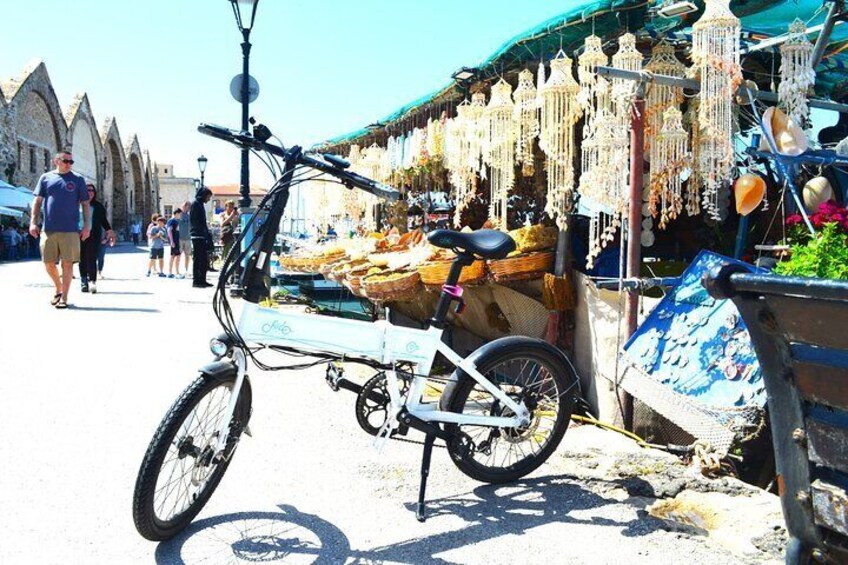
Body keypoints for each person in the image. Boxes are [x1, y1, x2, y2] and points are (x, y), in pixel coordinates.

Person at [29, 150, 90, 309]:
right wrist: (33, 222)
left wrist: (86, 226)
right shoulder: (46, 178)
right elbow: (37, 201)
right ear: (57, 161)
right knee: (48, 263)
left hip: (70, 230)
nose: (69, 164)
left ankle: (64, 297)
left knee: (68, 264)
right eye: (66, 161)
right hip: (49, 229)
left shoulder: (78, 179)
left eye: (71, 162)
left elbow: (85, 204)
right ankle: (58, 287)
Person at [78, 183, 114, 293]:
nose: (90, 192)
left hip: (94, 235)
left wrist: (110, 233)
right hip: (78, 235)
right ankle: (84, 281)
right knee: (82, 258)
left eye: (92, 190)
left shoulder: (98, 206)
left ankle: (92, 281)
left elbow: (104, 221)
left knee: (92, 258)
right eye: (87, 190)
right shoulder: (77, 204)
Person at [190, 187, 213, 288]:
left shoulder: (200, 204)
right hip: (198, 235)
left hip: (201, 235)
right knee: (198, 259)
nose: (208, 199)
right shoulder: (196, 204)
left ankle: (202, 279)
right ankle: (197, 280)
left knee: (203, 260)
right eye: (208, 196)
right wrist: (204, 232)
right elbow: (198, 222)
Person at [166, 209, 184, 278]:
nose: (180, 216)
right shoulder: (172, 221)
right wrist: (171, 241)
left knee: (177, 256)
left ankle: (176, 272)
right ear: (177, 213)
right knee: (173, 256)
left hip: (176, 240)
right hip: (174, 241)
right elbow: (169, 230)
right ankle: (171, 272)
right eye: (180, 214)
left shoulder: (176, 221)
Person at [178, 201, 192, 275]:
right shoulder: (179, 215)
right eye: (187, 206)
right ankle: (178, 270)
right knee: (178, 255)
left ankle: (186, 270)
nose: (188, 208)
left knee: (187, 255)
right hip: (180, 238)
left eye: (189, 207)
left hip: (188, 238)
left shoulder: (190, 216)